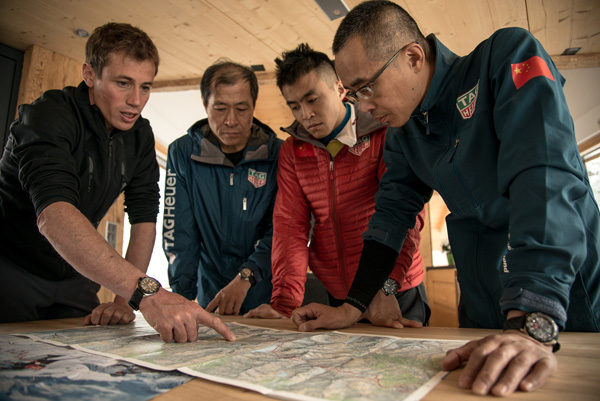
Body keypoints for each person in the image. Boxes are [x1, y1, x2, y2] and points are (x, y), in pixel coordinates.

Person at [291, 0, 600, 396]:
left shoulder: (505, 55)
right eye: (354, 94)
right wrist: (354, 304)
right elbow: (390, 214)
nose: (363, 106)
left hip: (558, 299)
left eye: (368, 86)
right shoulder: (404, 132)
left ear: (414, 57)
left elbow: (543, 177)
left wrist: (532, 318)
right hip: (484, 308)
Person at [0, 22, 234, 343]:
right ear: (89, 74)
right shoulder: (48, 116)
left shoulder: (140, 136)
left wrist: (125, 300)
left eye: (145, 87)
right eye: (123, 83)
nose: (135, 100)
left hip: (76, 275)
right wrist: (146, 293)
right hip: (12, 269)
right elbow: (53, 216)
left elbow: (143, 219)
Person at [245, 43, 429, 328]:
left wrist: (387, 285)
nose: (305, 114)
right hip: (339, 296)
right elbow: (290, 229)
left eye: (312, 99)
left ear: (340, 89)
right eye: (295, 106)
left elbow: (405, 216)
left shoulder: (384, 132)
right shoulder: (293, 152)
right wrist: (284, 304)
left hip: (394, 289)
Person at [163, 60, 282, 316]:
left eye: (241, 109)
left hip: (267, 294)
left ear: (253, 107)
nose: (231, 121)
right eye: (220, 108)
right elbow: (179, 233)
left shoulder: (279, 154)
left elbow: (283, 229)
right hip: (211, 296)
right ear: (205, 105)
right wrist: (182, 298)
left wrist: (247, 275)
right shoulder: (183, 153)